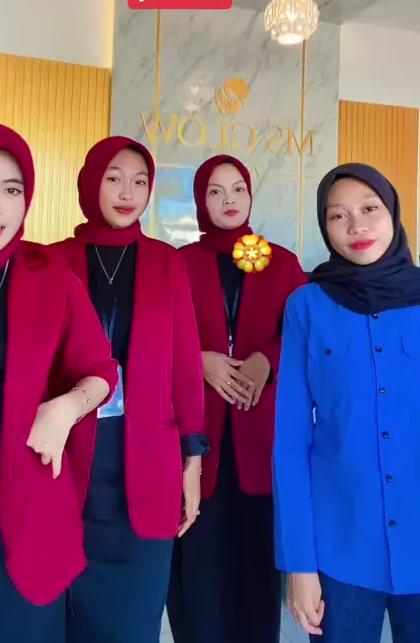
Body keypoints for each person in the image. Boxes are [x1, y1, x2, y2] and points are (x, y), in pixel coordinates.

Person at [0, 121, 118, 643]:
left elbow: (102, 372)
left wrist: (66, 408)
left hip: (23, 494)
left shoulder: (50, 276)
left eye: (11, 191)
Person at [52, 135, 209, 643]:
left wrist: (193, 462)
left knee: (135, 621)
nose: (127, 193)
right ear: (90, 183)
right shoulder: (51, 262)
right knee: (63, 616)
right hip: (68, 461)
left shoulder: (167, 262)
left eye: (140, 182)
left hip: (149, 464)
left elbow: (185, 365)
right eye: (114, 179)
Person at [273, 163, 420, 643]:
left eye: (369, 209)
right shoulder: (306, 306)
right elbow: (291, 442)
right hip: (340, 548)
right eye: (338, 215)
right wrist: (299, 564)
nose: (356, 226)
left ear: (393, 212)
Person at [167, 155, 307, 643]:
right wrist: (199, 360)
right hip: (195, 443)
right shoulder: (179, 263)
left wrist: (268, 359)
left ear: (250, 195)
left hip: (260, 441)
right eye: (215, 191)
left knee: (254, 576)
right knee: (199, 577)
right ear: (200, 200)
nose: (228, 200)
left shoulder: (281, 262)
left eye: (238, 189)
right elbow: (157, 335)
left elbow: (304, 333)